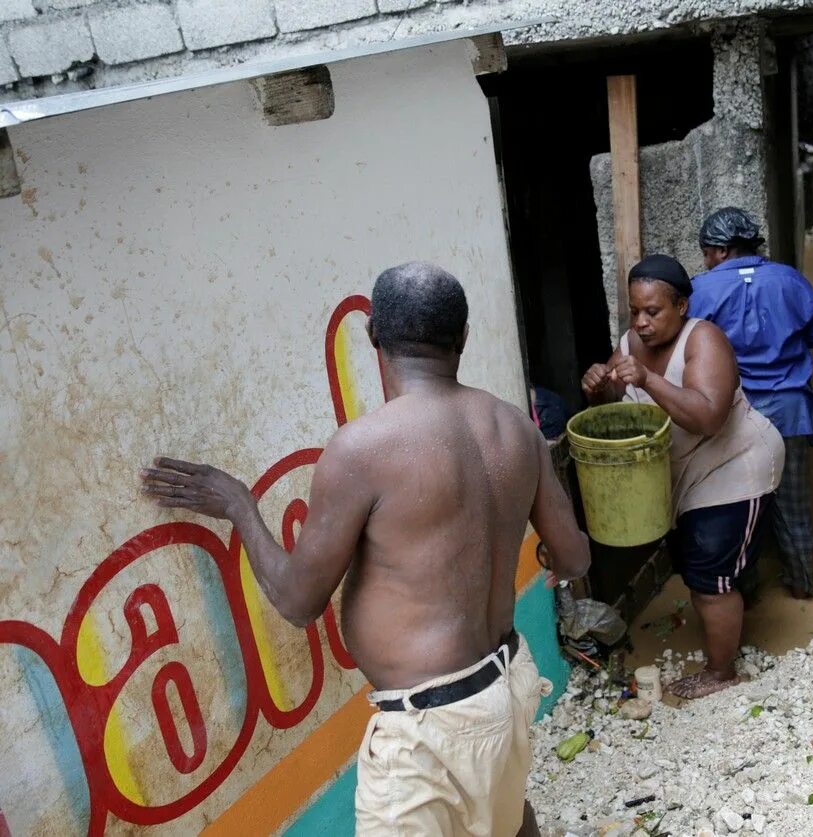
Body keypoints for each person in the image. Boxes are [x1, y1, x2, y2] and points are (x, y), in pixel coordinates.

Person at [140, 262, 591, 837]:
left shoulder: (363, 449)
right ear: (465, 337)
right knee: (507, 822)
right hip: (505, 686)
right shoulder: (515, 428)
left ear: (374, 335)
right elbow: (574, 558)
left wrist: (238, 505)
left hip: (427, 730)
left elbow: (299, 600)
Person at [581, 254, 783, 699]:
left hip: (735, 464)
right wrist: (600, 385)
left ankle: (722, 672)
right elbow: (615, 397)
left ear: (682, 307)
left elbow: (709, 417)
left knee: (709, 578)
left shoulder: (704, 340)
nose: (642, 322)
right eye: (635, 311)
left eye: (653, 311)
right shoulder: (632, 341)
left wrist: (649, 380)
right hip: (688, 470)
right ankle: (733, 603)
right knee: (703, 567)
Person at [690, 208, 813, 601]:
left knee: (739, 508)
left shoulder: (700, 290)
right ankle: (803, 587)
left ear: (720, 251)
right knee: (794, 506)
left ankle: (745, 594)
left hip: (737, 416)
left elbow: (686, 347)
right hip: (791, 411)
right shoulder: (789, 279)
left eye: (705, 251)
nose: (704, 259)